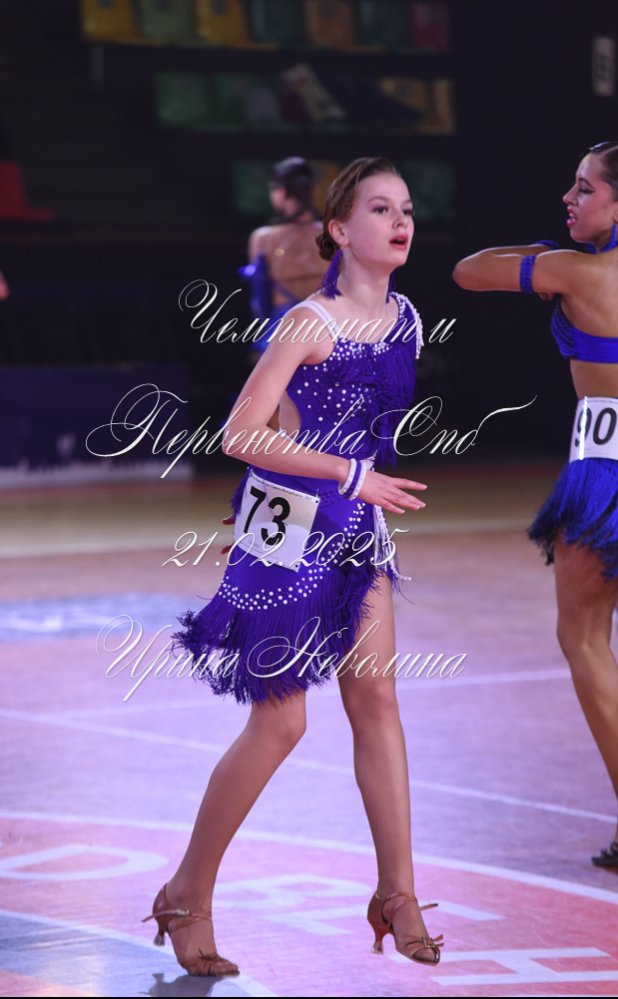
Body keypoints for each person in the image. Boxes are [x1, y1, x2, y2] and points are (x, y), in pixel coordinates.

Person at [142, 157, 445, 976]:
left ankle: (398, 892)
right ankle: (186, 891)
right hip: (291, 535)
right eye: (380, 208)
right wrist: (347, 476)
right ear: (339, 230)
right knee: (281, 723)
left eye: (406, 207)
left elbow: (353, 435)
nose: (400, 220)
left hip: (356, 527)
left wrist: (359, 489)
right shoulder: (308, 322)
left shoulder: (409, 318)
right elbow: (241, 433)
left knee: (377, 698)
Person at [452, 140, 618, 870]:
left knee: (584, 638)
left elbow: (468, 270)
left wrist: (543, 256)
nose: (569, 198)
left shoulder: (575, 271)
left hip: (604, 470)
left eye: (585, 188)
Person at [239, 157, 329, 359]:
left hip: (285, 331)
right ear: (313, 191)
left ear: (280, 192)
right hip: (330, 328)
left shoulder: (263, 238)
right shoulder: (332, 234)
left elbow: (260, 298)